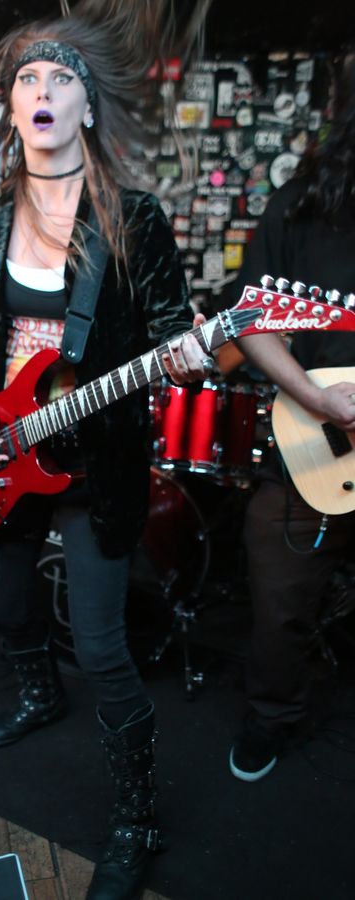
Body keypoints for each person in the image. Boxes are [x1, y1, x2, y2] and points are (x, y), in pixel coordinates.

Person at [0, 2, 212, 897]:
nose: (43, 90)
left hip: (97, 463)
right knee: (7, 608)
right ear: (12, 107)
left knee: (98, 645)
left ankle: (137, 816)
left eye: (62, 78)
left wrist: (188, 355)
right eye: (28, 79)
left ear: (87, 106)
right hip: (5, 451)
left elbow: (171, 332)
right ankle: (35, 692)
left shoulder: (135, 218)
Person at [224, 48, 355, 782]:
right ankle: (270, 716)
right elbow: (250, 323)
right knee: (279, 594)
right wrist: (314, 396)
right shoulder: (301, 206)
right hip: (315, 442)